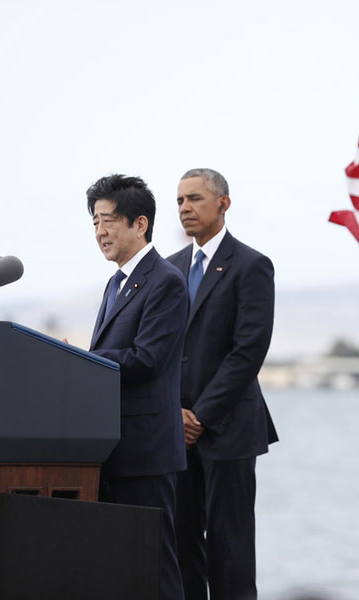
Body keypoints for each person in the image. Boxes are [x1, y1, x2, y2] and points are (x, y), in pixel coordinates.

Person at [166, 168, 278, 600]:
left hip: (228, 429)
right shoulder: (170, 268)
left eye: (194, 199)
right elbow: (166, 349)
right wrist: (176, 413)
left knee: (230, 549)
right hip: (175, 430)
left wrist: (201, 416)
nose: (185, 209)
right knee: (181, 541)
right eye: (179, 201)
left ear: (223, 204)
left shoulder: (252, 265)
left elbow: (248, 351)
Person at [86, 174, 188, 600]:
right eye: (94, 222)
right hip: (110, 446)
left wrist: (82, 361)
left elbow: (146, 359)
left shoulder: (165, 281)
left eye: (108, 220)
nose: (100, 232)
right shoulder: (115, 282)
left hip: (145, 451)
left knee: (155, 563)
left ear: (139, 223)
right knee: (117, 564)